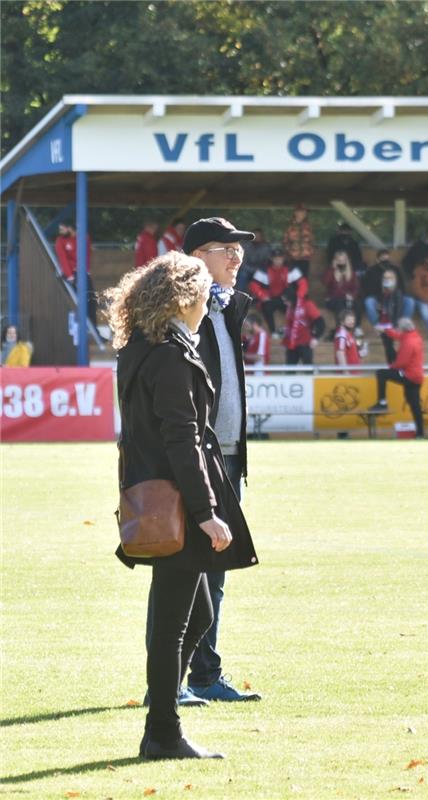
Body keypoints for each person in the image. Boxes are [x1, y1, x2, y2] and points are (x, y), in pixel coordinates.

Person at [105, 251, 258, 760]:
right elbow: (184, 439)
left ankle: (163, 717)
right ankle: (162, 733)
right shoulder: (172, 354)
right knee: (176, 624)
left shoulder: (141, 349)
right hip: (176, 503)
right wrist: (206, 511)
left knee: (195, 618)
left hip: (153, 495)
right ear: (186, 299)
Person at [180, 217, 263, 704]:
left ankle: (205, 675)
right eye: (223, 248)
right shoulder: (181, 314)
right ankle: (170, 681)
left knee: (215, 572)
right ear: (195, 258)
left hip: (228, 457)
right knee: (183, 573)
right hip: (199, 456)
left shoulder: (225, 309)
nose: (235, 257)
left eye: (238, 249)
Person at [370, 317, 425, 437]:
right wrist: (386, 331)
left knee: (381, 374)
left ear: (403, 329)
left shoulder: (408, 342)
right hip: (417, 377)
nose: (398, 330)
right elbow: (397, 336)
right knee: (415, 405)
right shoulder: (413, 336)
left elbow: (401, 363)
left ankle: (382, 402)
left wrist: (391, 367)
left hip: (408, 375)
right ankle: (420, 433)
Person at [55, 220, 97, 325]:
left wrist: (87, 271)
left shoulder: (83, 238)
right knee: (82, 301)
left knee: (92, 300)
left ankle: (93, 329)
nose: (60, 231)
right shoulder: (60, 241)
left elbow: (87, 255)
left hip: (83, 273)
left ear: (70, 228)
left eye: (62, 228)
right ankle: (85, 327)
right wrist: (70, 276)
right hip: (73, 274)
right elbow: (63, 259)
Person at [249, 248, 299, 333]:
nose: (278, 260)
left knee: (294, 308)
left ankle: (293, 330)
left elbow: (302, 284)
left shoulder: (290, 269)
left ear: (283, 258)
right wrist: (262, 295)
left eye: (280, 258)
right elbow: (253, 285)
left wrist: (298, 297)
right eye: (276, 258)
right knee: (266, 307)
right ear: (271, 259)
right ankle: (273, 331)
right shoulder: (263, 269)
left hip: (283, 299)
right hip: (269, 299)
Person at [368, 270, 413, 363]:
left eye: (390, 278)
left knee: (388, 342)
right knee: (387, 341)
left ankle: (393, 363)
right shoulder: (379, 292)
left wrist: (396, 325)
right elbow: (377, 306)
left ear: (394, 280)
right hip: (381, 323)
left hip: (392, 323)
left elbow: (399, 310)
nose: (387, 280)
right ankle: (393, 363)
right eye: (385, 278)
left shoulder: (397, 293)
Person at [281, 280, 325, 365]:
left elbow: (320, 322)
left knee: (308, 369)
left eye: (286, 300)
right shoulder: (289, 308)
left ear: (292, 298)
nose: (284, 303)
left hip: (305, 343)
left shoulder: (307, 305)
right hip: (292, 344)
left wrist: (316, 338)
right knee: (289, 371)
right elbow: (289, 326)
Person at [322, 251, 361, 330]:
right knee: (340, 305)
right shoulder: (331, 271)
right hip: (333, 299)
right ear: (335, 261)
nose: (341, 263)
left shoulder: (351, 273)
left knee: (357, 305)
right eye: (339, 261)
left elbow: (356, 287)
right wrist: (332, 268)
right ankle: (340, 329)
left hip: (347, 299)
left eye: (343, 261)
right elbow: (325, 281)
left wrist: (352, 296)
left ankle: (357, 328)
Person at [362, 250, 404, 322]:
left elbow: (401, 286)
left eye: (387, 259)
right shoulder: (371, 271)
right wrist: (378, 301)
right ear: (377, 260)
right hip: (376, 296)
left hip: (394, 295)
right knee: (368, 301)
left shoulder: (395, 269)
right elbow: (366, 288)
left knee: (409, 301)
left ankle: (400, 323)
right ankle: (377, 324)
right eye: (383, 259)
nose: (385, 261)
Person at [282, 204, 315, 278]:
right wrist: (290, 252)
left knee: (304, 279)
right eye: (303, 211)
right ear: (296, 213)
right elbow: (285, 241)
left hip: (305, 258)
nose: (305, 213)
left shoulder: (308, 226)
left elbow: (312, 241)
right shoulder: (289, 226)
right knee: (293, 280)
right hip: (293, 258)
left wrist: (310, 252)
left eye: (306, 212)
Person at [238, 228, 273, 294]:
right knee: (243, 274)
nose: (257, 238)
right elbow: (242, 262)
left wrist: (260, 270)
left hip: (260, 270)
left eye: (259, 236)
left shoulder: (266, 247)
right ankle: (239, 295)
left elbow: (267, 262)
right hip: (247, 269)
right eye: (255, 236)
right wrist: (252, 270)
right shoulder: (245, 246)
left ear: (262, 237)